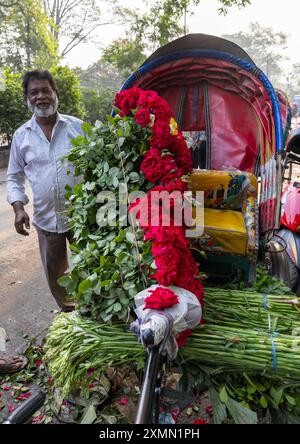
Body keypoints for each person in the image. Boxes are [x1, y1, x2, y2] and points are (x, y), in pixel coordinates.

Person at [6, 70, 84, 312]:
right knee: (56, 275)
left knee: (91, 268)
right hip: (46, 220)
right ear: (27, 99)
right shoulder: (21, 137)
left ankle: (93, 313)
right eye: (34, 92)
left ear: (55, 94)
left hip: (82, 218)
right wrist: (18, 208)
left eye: (45, 90)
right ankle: (69, 316)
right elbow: (14, 176)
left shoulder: (78, 129)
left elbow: (98, 166)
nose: (40, 96)